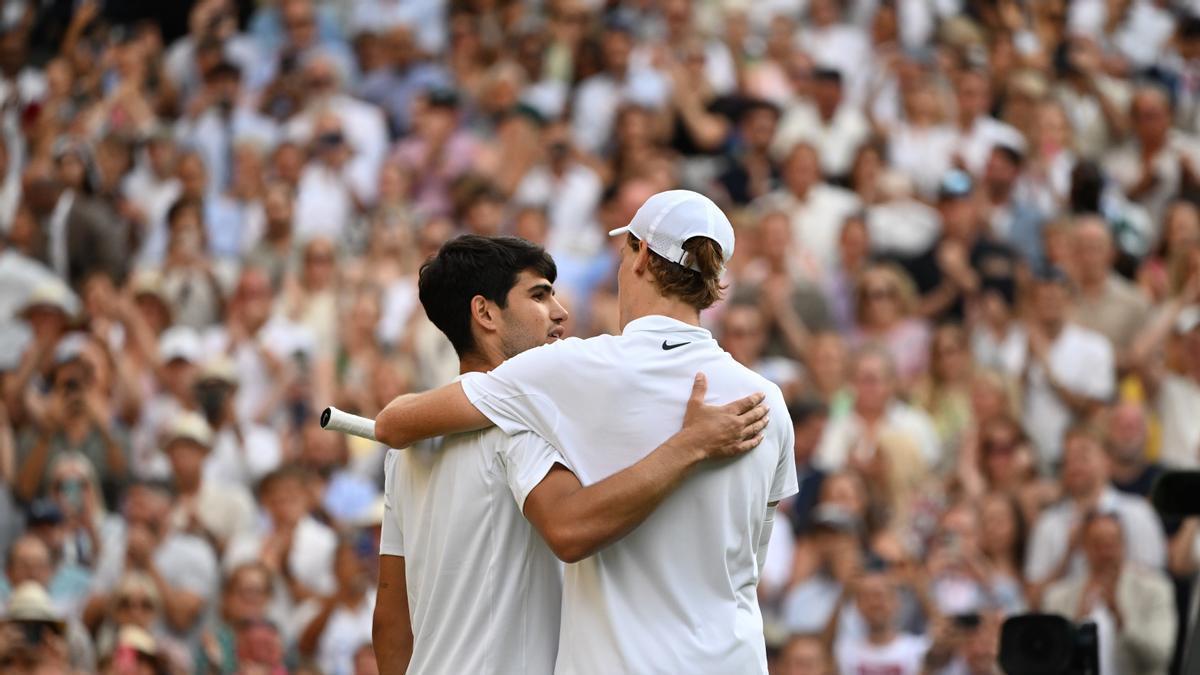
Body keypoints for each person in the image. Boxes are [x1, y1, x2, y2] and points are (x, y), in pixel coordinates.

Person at [375, 190, 797, 673]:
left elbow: (394, 424)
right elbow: (748, 565)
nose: (560, 312)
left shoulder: (565, 374)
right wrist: (689, 445)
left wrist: (688, 447)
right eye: (540, 295)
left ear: (639, 256)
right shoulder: (769, 402)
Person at [1042, 512, 1176, 675]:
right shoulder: (1058, 597)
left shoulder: (1154, 589)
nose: (1106, 552)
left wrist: (1121, 619)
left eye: (1112, 543)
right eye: (1098, 544)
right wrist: (1076, 625)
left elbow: (1160, 655)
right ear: (1084, 547)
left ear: (1124, 544)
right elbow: (1049, 660)